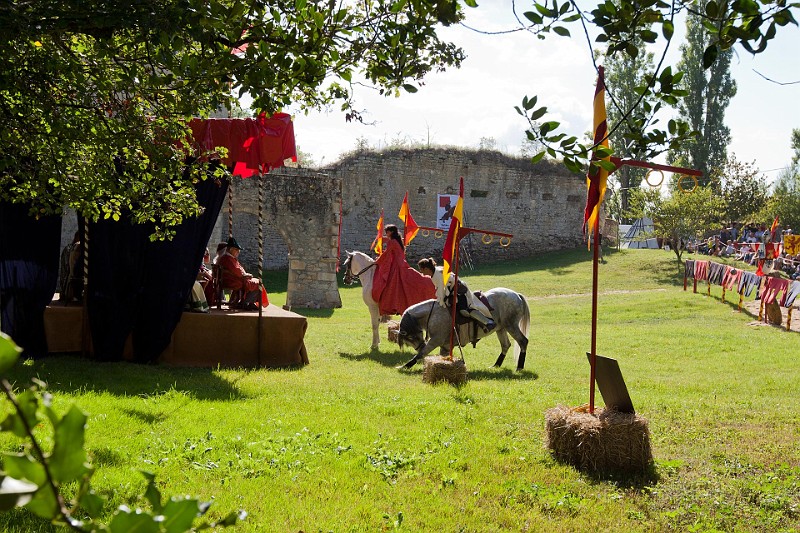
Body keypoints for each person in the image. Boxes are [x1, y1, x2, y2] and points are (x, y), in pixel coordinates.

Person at [370, 224, 435, 315]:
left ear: (391, 232)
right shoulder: (398, 240)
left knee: (390, 285)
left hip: (397, 265)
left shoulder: (392, 242)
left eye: (387, 232)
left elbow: (386, 253)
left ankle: (394, 305)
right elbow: (388, 242)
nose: (386, 233)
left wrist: (377, 262)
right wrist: (381, 239)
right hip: (402, 264)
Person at [417, 257, 496, 332]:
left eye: (421, 269)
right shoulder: (435, 273)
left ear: (427, 269)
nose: (420, 271)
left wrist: (440, 303)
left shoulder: (437, 275)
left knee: (464, 310)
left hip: (459, 291)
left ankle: (488, 322)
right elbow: (440, 290)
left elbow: (441, 290)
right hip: (452, 292)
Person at [217, 237, 262, 310]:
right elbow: (236, 271)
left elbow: (236, 270)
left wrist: (244, 275)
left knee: (256, 282)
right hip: (232, 281)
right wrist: (245, 275)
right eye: (236, 250)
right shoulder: (228, 259)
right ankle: (247, 302)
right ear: (231, 249)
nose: (238, 252)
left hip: (232, 279)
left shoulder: (228, 258)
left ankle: (247, 302)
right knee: (258, 283)